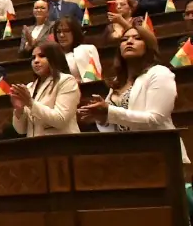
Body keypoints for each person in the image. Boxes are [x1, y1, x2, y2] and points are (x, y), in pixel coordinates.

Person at [78, 23, 187, 164]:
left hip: (161, 154)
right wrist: (102, 119)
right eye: (124, 39)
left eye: (137, 38)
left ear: (148, 46)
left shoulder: (159, 73)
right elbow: (116, 128)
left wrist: (109, 111)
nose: (129, 41)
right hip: (129, 156)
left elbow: (155, 119)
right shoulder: (118, 82)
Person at [11, 41, 81, 137]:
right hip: (35, 145)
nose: (36, 61)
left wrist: (31, 103)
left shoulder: (66, 81)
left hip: (61, 143)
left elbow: (61, 120)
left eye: (42, 56)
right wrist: (19, 110)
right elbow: (21, 130)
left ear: (54, 57)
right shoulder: (30, 87)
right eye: (33, 57)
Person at [53, 17, 103, 82]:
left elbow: (94, 78)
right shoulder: (54, 56)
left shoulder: (87, 49)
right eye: (58, 32)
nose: (61, 35)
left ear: (75, 32)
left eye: (66, 31)